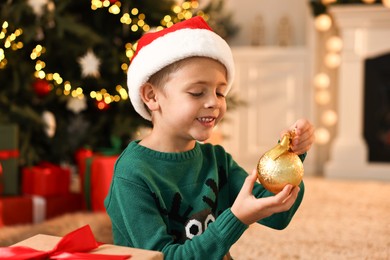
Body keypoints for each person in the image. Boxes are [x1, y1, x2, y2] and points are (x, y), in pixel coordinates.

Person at [104, 16, 315, 260]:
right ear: (152, 96)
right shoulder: (132, 175)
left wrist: (292, 155)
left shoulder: (216, 159)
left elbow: (278, 214)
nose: (213, 102)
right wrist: (236, 219)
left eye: (220, 92)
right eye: (197, 92)